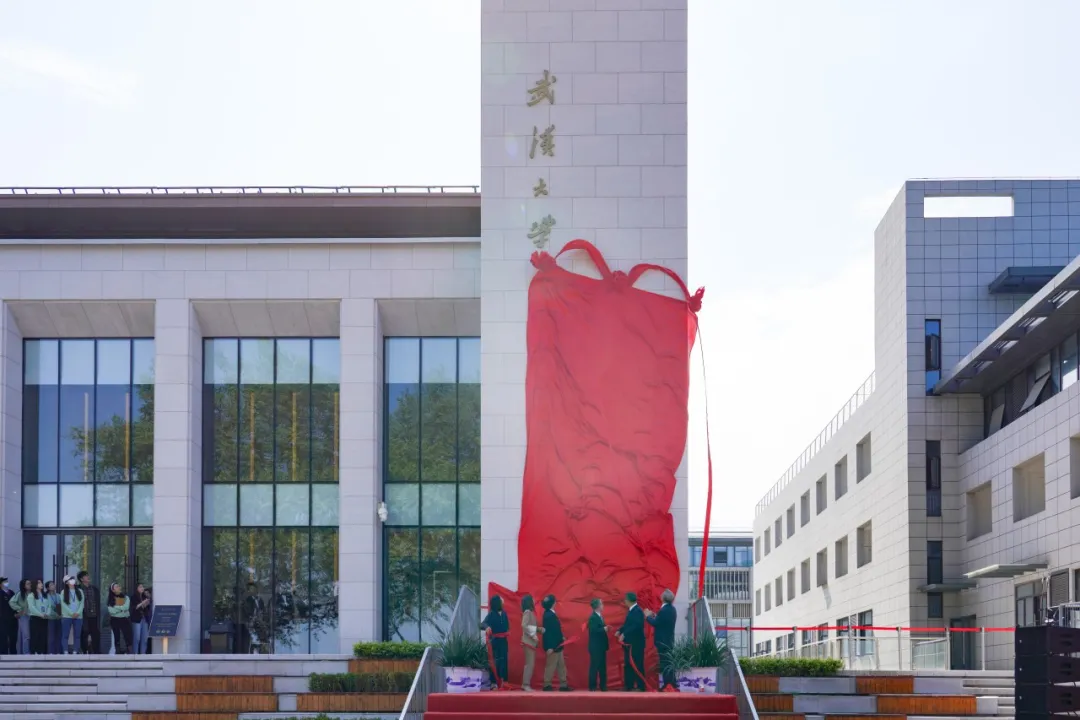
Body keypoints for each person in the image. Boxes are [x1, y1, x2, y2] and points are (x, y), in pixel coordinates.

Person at [646, 589, 677, 690]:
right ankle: (671, 683)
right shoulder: (672, 609)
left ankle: (667, 684)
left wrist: (647, 617)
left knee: (664, 663)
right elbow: (662, 621)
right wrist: (655, 616)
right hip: (669, 640)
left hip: (662, 641)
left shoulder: (664, 610)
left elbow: (656, 623)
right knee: (668, 662)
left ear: (663, 598)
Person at [616, 591, 646, 691]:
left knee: (637, 664)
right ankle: (629, 685)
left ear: (629, 600)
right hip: (629, 644)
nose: (624, 601)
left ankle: (641, 686)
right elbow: (627, 624)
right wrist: (620, 630)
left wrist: (624, 634)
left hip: (636, 643)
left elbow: (636, 626)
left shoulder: (638, 611)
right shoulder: (631, 611)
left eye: (625, 599)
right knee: (628, 664)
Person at [541, 594, 571, 692]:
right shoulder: (549, 615)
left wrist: (561, 637)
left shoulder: (550, 614)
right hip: (553, 646)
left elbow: (555, 630)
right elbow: (548, 633)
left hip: (558, 644)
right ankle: (547, 685)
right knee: (551, 665)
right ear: (553, 603)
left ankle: (563, 685)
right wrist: (549, 647)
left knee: (561, 666)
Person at [480, 595, 509, 686]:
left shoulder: (504, 613)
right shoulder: (491, 614)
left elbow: (507, 626)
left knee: (504, 661)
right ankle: (494, 683)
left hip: (503, 641)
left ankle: (504, 681)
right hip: (495, 641)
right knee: (496, 662)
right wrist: (487, 627)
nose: (503, 601)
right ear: (497, 603)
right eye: (501, 600)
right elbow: (482, 624)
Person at [587, 598, 609, 692]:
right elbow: (593, 630)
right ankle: (592, 686)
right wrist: (604, 629)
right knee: (594, 666)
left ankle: (603, 686)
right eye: (601, 604)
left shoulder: (600, 616)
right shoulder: (593, 617)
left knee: (602, 667)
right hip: (595, 646)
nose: (603, 606)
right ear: (597, 606)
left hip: (601, 646)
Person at [520, 594, 540, 691]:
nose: (534, 600)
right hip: (528, 642)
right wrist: (533, 635)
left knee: (530, 664)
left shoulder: (530, 612)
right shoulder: (527, 612)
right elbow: (524, 625)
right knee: (529, 664)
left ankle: (526, 684)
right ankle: (525, 684)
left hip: (530, 642)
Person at [77, 571, 101, 654]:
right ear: (81, 579)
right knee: (84, 632)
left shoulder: (94, 589)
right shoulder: (78, 589)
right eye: (86, 576)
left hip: (94, 614)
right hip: (83, 614)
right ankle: (84, 650)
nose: (88, 577)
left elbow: (97, 601)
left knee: (95, 633)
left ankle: (96, 651)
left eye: (88, 575)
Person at [107, 583, 133, 654]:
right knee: (116, 636)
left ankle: (129, 651)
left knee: (128, 635)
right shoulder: (110, 599)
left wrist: (115, 607)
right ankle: (118, 652)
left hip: (124, 619)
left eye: (119, 586)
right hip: (115, 619)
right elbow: (111, 611)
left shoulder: (126, 597)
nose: (119, 587)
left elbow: (126, 607)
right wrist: (121, 609)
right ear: (113, 590)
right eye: (117, 586)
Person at [60, 576, 84, 655]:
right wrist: (71, 613)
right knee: (65, 635)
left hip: (78, 616)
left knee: (77, 635)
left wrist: (77, 613)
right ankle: (65, 651)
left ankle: (75, 651)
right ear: (66, 582)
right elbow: (63, 604)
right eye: (70, 579)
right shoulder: (63, 592)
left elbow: (82, 603)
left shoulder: (80, 591)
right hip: (67, 616)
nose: (72, 580)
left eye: (73, 579)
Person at [9, 579, 31, 654]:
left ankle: (32, 652)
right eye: (28, 584)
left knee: (32, 635)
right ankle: (26, 653)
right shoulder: (20, 593)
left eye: (30, 583)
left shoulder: (32, 593)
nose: (30, 585)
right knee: (26, 635)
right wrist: (20, 609)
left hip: (33, 616)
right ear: (24, 586)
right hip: (24, 616)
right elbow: (11, 602)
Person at [28, 579, 48, 655]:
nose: (41, 584)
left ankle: (41, 651)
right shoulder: (31, 595)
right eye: (39, 583)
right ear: (35, 585)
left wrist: (47, 613)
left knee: (43, 635)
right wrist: (40, 614)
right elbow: (32, 607)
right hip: (35, 618)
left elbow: (49, 606)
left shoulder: (45, 595)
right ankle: (33, 651)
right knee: (35, 635)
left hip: (44, 618)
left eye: (41, 582)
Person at [130, 583, 152, 654]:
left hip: (144, 619)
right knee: (137, 638)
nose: (142, 588)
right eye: (140, 587)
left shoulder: (144, 596)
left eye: (142, 587)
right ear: (136, 589)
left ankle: (143, 654)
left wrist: (146, 603)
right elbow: (134, 608)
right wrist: (142, 603)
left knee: (145, 638)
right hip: (136, 619)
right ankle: (135, 654)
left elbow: (146, 608)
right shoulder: (133, 597)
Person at [0, 577, 15, 654]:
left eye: (7, 581)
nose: (7, 583)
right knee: (3, 636)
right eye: (5, 582)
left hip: (13, 618)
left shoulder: (11, 592)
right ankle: (4, 652)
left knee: (13, 636)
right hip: (3, 618)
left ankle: (13, 652)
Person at [45, 581, 61, 655]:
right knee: (51, 636)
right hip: (50, 618)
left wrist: (60, 615)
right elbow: (48, 608)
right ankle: (51, 652)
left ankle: (58, 652)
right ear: (48, 588)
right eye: (51, 585)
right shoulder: (46, 596)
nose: (53, 585)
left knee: (59, 636)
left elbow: (61, 606)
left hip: (59, 618)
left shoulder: (58, 595)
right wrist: (56, 614)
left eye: (53, 584)